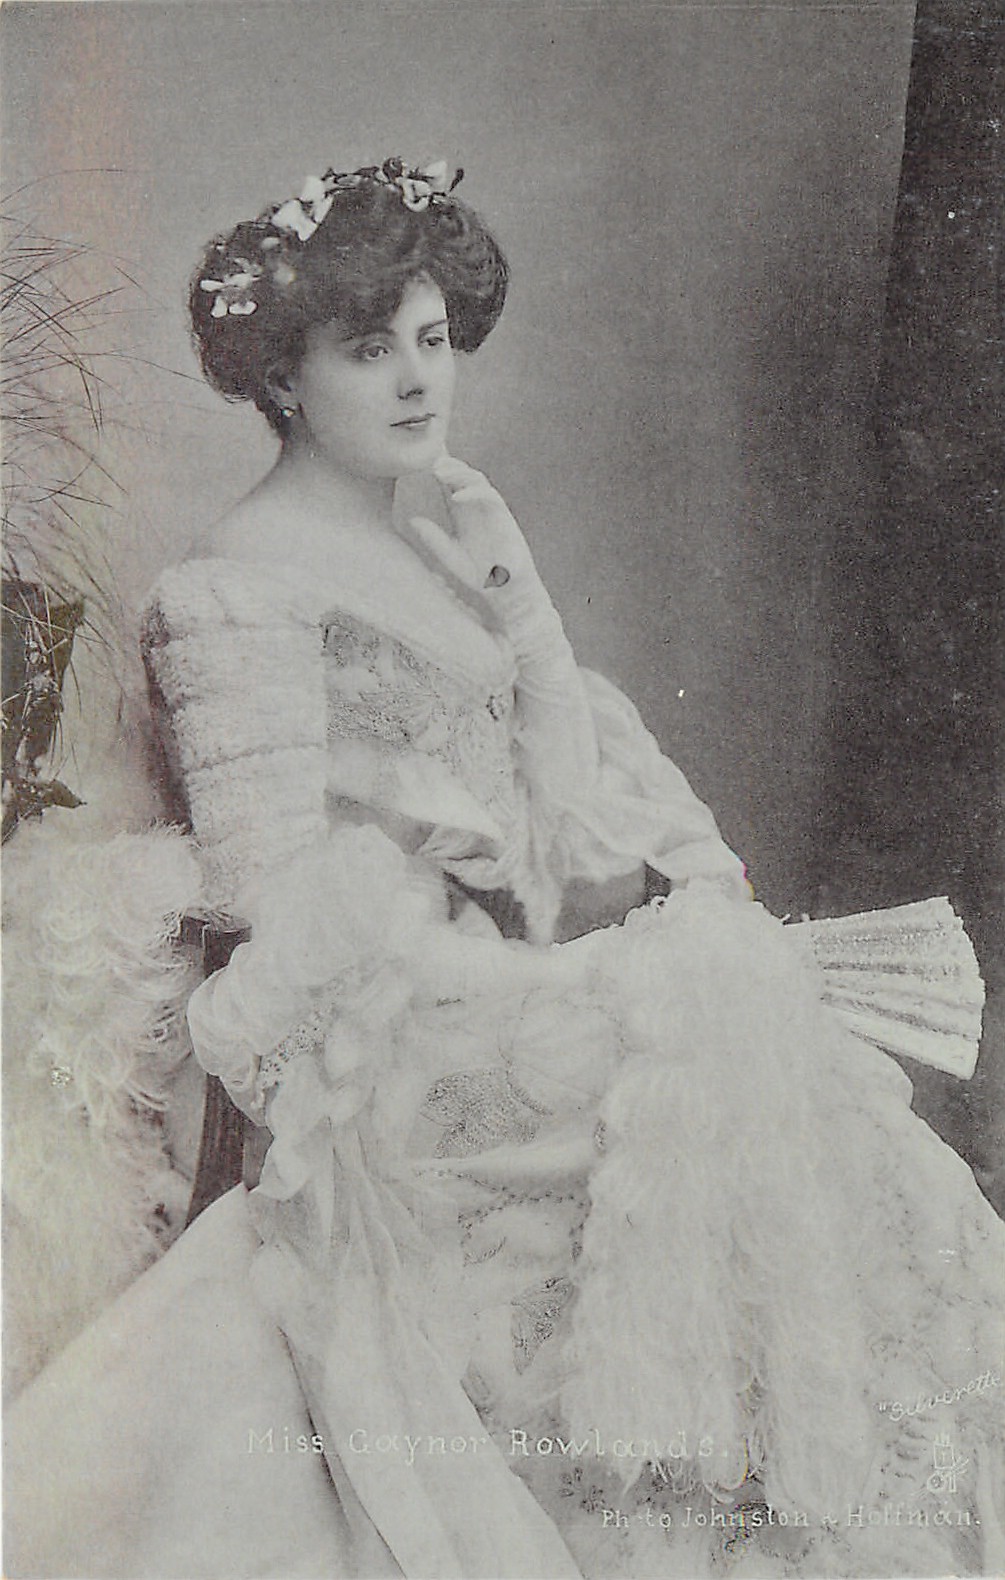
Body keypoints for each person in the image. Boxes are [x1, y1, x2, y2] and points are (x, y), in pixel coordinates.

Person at [6, 156, 1004, 1580]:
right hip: (381, 1036)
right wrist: (427, 871)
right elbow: (271, 912)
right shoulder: (235, 589)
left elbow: (563, 818)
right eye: (369, 349)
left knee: (800, 1093)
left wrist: (525, 625)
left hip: (499, 978)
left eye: (431, 339)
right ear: (282, 377)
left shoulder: (437, 546)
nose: (420, 378)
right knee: (717, 1068)